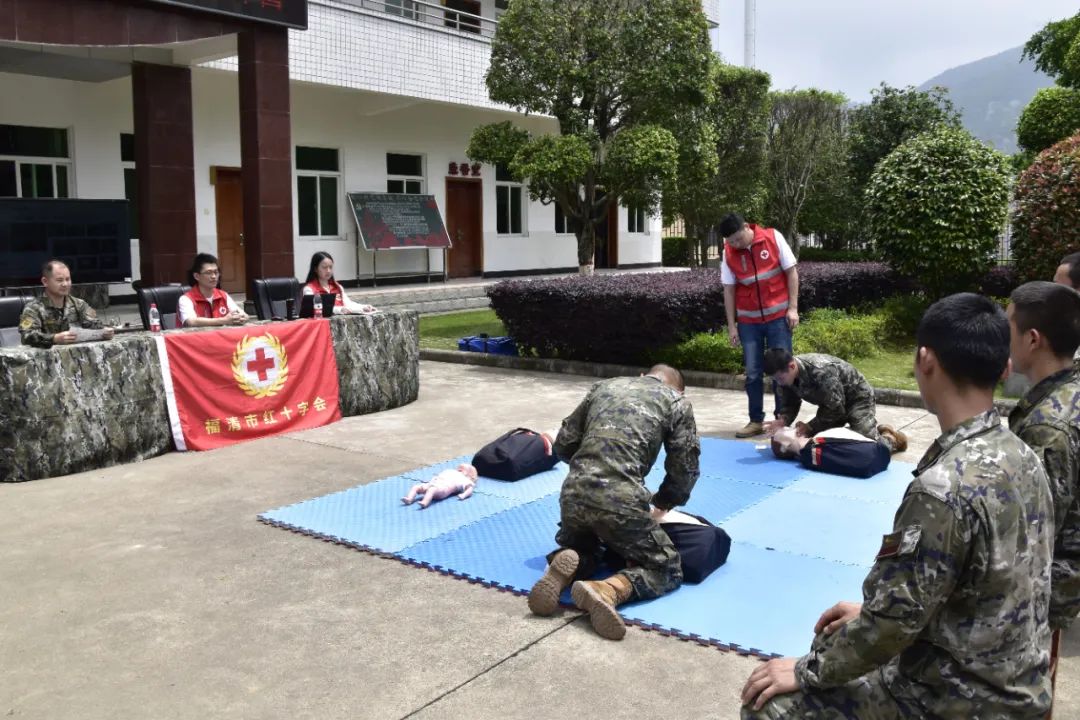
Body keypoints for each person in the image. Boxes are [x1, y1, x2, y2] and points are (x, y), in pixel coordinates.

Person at [741, 293, 1055, 719]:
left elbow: (890, 626)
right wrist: (872, 613)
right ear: (1004, 369)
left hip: (960, 700)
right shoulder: (1025, 456)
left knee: (769, 704)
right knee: (839, 631)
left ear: (925, 360)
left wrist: (806, 670)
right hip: (1019, 684)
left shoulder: (941, 489)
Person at [527, 364, 700, 641]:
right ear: (677, 389)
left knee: (587, 548)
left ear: (642, 375)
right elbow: (684, 468)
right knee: (666, 567)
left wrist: (591, 470)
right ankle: (608, 590)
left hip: (573, 495)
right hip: (621, 502)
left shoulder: (605, 386)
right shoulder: (676, 402)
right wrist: (665, 501)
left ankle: (564, 565)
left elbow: (563, 444)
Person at [1007, 281, 1080, 631]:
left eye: (1008, 327)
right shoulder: (1070, 392)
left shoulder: (1048, 427)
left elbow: (1030, 537)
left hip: (1045, 593)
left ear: (1032, 339)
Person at [719, 213, 800, 439]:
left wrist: (793, 308)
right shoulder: (728, 253)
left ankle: (781, 420)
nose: (735, 244)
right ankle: (756, 420)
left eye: (737, 238)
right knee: (753, 373)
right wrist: (732, 326)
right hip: (749, 323)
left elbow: (791, 272)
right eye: (731, 241)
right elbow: (728, 289)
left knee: (782, 371)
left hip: (778, 319)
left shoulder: (773, 238)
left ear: (747, 227)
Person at [762, 349, 907, 454]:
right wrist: (783, 420)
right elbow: (790, 403)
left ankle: (890, 438)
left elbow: (836, 410)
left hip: (857, 398)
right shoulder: (787, 377)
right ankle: (858, 430)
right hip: (832, 405)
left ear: (792, 366)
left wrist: (809, 427)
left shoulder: (821, 371)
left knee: (870, 447)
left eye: (780, 378)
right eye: (775, 380)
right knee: (820, 445)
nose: (779, 383)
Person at [18, 260, 114, 348]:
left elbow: (93, 324)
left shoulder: (79, 304)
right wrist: (54, 338)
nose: (65, 284)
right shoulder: (33, 308)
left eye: (68, 279)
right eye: (59, 280)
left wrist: (104, 331)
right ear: (45, 282)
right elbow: (26, 336)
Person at [178, 253, 249, 328]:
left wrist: (242, 317)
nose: (214, 276)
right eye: (209, 273)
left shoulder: (223, 295)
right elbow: (191, 321)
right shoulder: (186, 299)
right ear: (196, 276)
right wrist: (224, 320)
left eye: (216, 272)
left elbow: (244, 315)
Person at [304, 251, 376, 315]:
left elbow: (348, 303)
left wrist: (363, 307)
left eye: (331, 267)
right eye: (324, 267)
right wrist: (339, 309)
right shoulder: (309, 289)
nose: (328, 270)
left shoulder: (337, 286)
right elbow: (314, 308)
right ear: (315, 269)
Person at [402, 463, 478, 509]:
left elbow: (470, 489)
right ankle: (409, 499)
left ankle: (425, 502)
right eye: (458, 468)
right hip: (432, 484)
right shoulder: (451, 471)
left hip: (443, 489)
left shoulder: (464, 479)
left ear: (468, 475)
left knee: (432, 490)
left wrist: (464, 495)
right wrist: (429, 482)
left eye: (461, 470)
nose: (458, 469)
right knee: (416, 487)